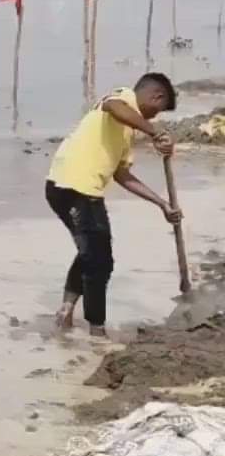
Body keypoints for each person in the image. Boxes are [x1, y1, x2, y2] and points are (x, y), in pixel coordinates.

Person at [45, 73, 182, 337]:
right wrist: (154, 131)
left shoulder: (127, 130)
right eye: (158, 111)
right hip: (74, 187)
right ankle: (97, 331)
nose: (154, 118)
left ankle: (65, 312)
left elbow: (122, 175)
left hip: (73, 187)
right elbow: (113, 107)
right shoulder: (122, 99)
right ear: (157, 97)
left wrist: (162, 203)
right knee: (100, 262)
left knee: (90, 251)